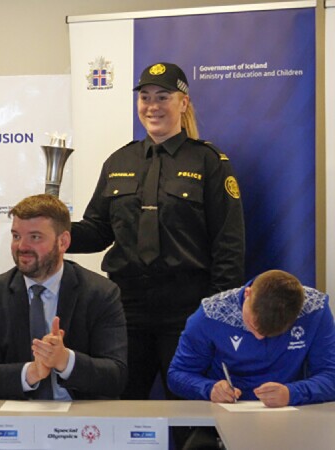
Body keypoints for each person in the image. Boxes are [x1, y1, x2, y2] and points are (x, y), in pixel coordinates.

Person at [67, 62, 245, 400]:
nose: (152, 106)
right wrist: (56, 232)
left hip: (187, 311)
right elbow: (98, 230)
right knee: (119, 405)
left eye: (163, 96)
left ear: (183, 103)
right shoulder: (120, 161)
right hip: (125, 309)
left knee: (191, 409)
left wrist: (217, 314)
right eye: (145, 97)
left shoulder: (209, 162)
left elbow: (229, 244)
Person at [0, 194, 127, 400]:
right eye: (16, 236)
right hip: (15, 422)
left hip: (81, 422)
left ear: (63, 242)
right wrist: (31, 373)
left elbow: (116, 377)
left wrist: (65, 361)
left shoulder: (101, 293)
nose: (22, 246)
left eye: (35, 237)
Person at [168, 269, 335, 406]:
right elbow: (178, 374)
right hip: (225, 415)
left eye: (274, 333)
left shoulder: (315, 310)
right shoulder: (211, 314)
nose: (259, 337)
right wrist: (209, 389)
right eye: (254, 326)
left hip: (291, 414)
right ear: (247, 294)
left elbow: (331, 375)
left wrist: (292, 393)